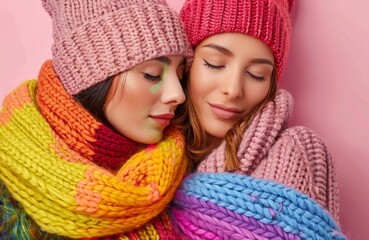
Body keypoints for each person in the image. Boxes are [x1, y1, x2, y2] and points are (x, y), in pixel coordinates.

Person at [0, 0, 192, 238]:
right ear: (91, 78)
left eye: (181, 74)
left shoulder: (183, 172)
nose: (178, 95)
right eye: (152, 74)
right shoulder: (6, 196)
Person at [171, 0, 344, 238]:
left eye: (256, 75)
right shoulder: (143, 146)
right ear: (186, 66)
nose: (233, 89)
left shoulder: (295, 153)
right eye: (215, 64)